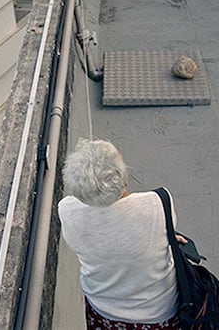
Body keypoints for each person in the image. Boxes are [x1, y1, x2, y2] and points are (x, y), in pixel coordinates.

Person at [58, 138, 184, 330]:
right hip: (158, 311)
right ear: (123, 178)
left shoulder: (67, 211)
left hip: (104, 310)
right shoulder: (157, 203)